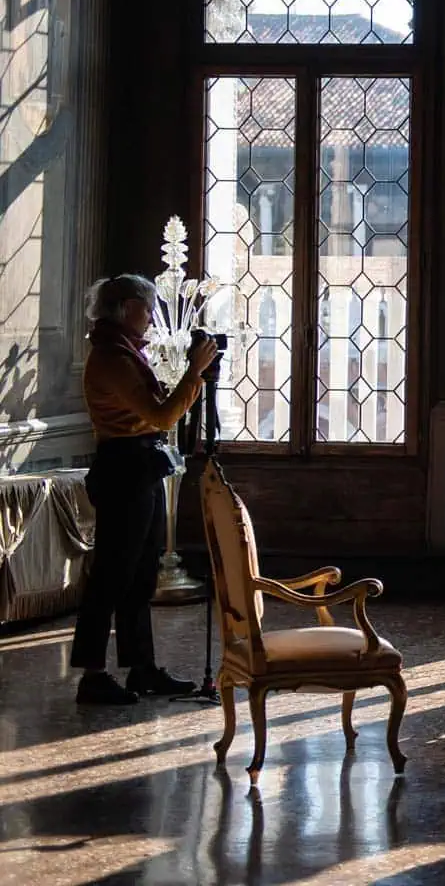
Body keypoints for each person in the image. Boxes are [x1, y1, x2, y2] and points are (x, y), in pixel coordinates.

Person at [73, 274, 216, 705]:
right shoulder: (112, 358)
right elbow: (162, 416)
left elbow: (156, 413)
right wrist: (194, 372)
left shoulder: (127, 351)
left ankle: (141, 668)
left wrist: (193, 377)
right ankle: (93, 675)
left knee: (142, 574)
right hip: (124, 470)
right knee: (112, 574)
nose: (153, 316)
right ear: (125, 307)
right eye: (148, 307)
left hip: (140, 466)